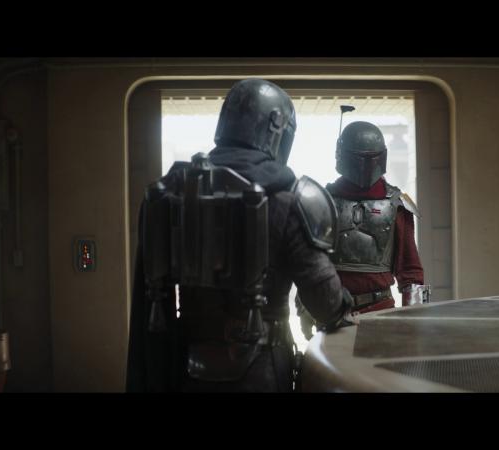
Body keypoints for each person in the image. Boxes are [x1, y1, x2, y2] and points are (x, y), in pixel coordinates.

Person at [126, 79, 355, 392]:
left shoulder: (170, 192)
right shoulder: (291, 198)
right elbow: (325, 301)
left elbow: (150, 305)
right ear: (277, 129)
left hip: (187, 368)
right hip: (262, 371)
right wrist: (344, 305)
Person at [298, 121, 425, 340]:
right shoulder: (322, 201)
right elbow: (307, 265)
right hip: (331, 313)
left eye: (371, 158)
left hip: (380, 313)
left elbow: (410, 272)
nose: (365, 166)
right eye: (360, 158)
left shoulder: (397, 205)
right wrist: (304, 308)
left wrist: (415, 321)